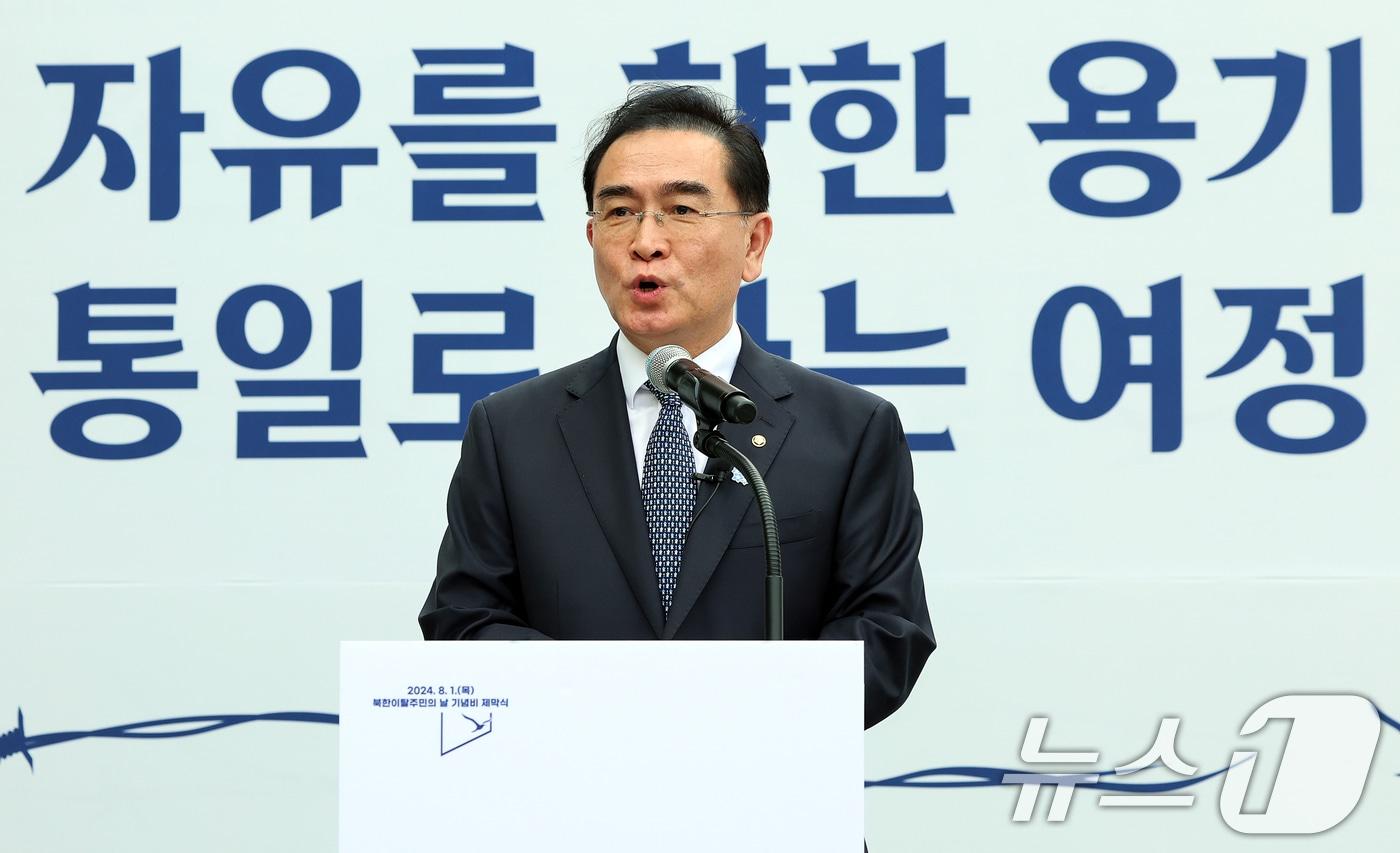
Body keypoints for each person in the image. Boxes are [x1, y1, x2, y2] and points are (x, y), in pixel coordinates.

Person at [420, 84, 934, 728]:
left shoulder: (851, 430)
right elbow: (463, 621)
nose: (646, 241)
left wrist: (715, 714)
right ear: (592, 237)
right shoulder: (510, 430)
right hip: (571, 775)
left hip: (764, 775)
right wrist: (618, 705)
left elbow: (887, 632)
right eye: (619, 212)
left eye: (682, 210)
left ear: (754, 243)